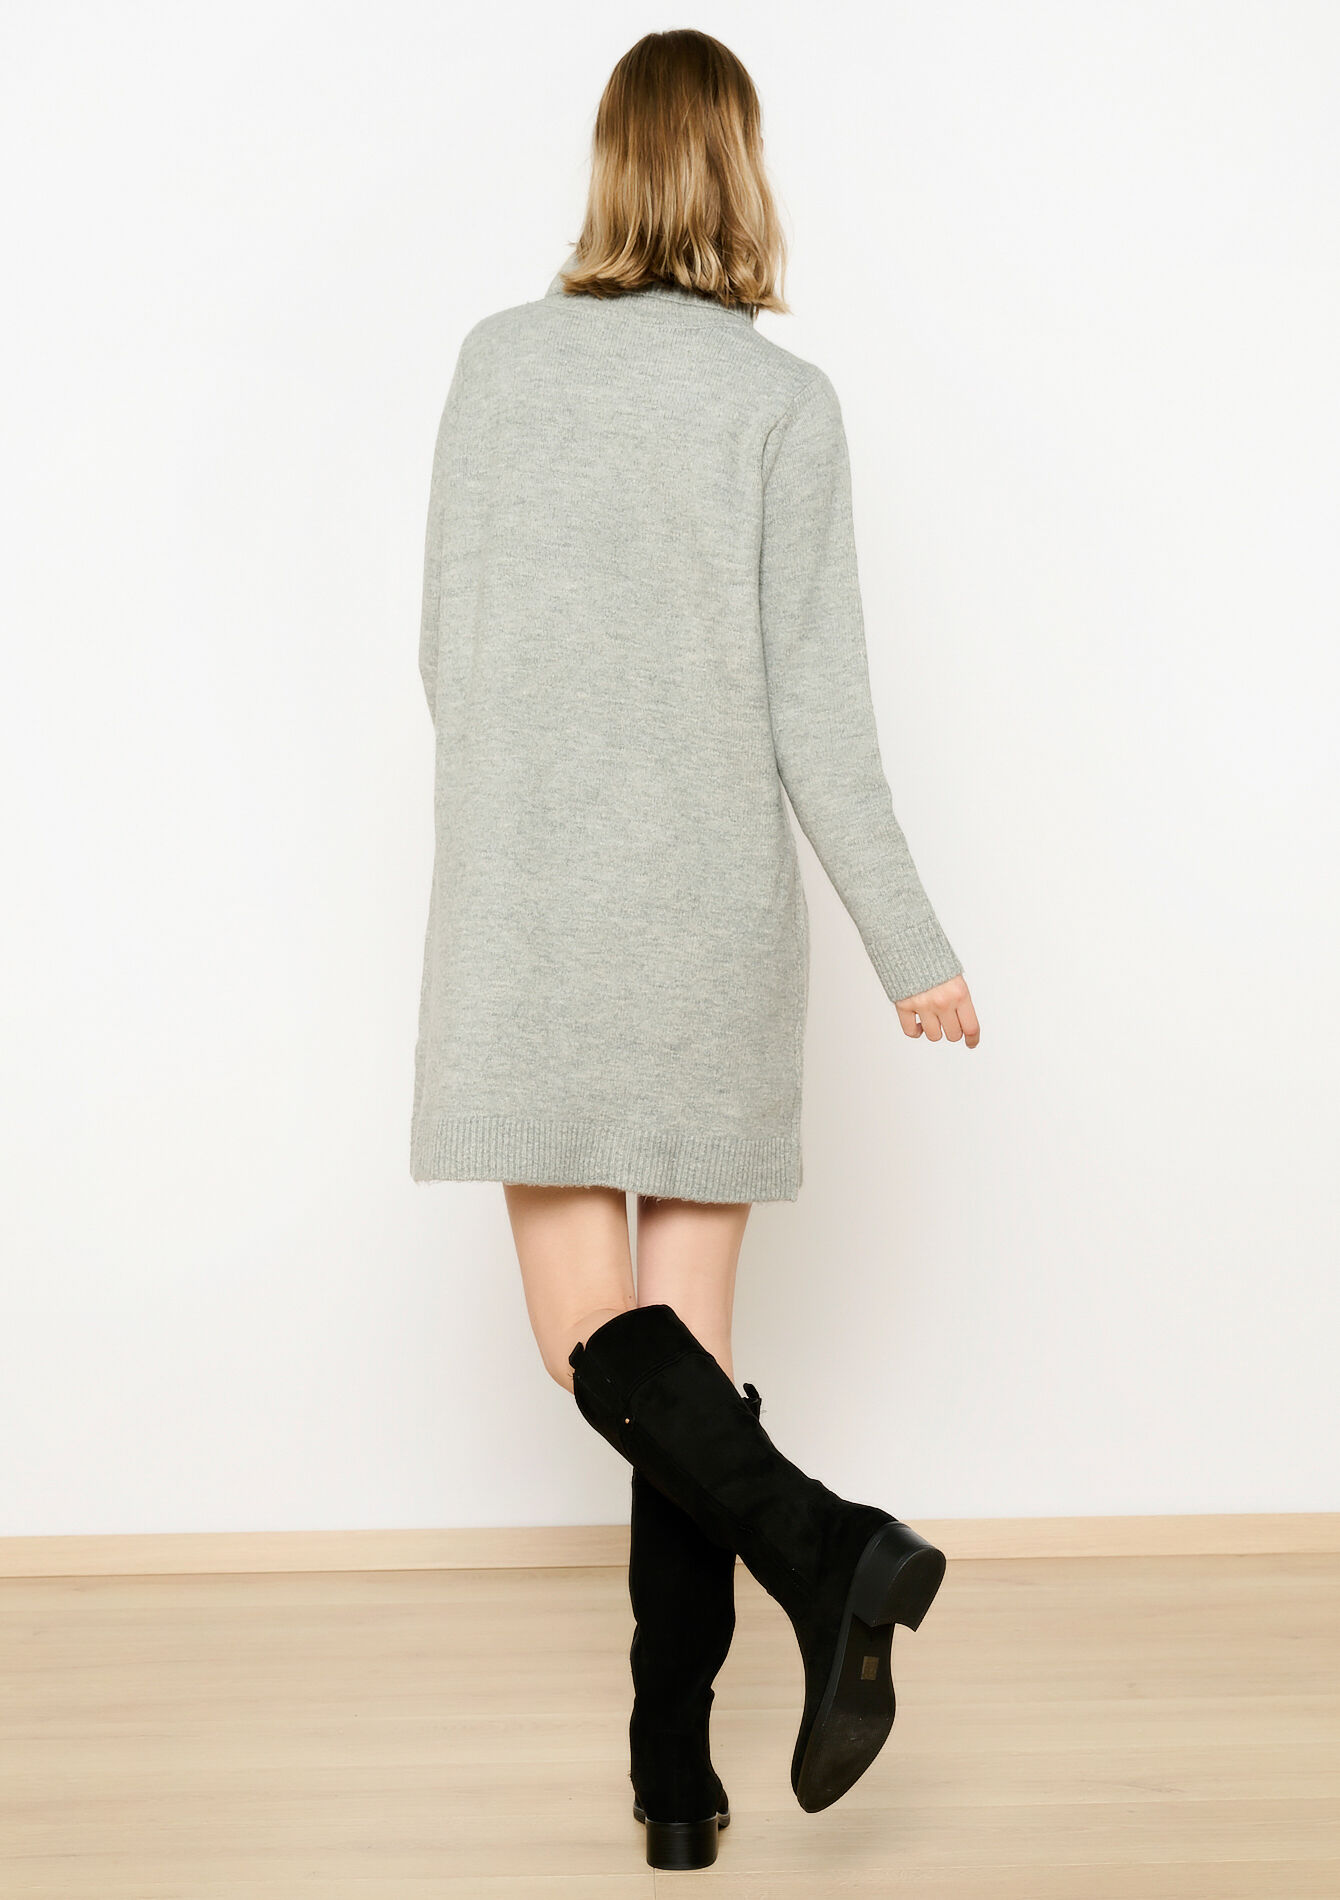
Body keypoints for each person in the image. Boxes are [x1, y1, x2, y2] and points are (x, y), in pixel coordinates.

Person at [412, 27, 980, 1872]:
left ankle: (748, 1678)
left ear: (609, 164)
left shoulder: (497, 366)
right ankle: (713, 1717)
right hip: (711, 923)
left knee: (606, 1353)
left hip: (530, 914)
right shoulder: (779, 403)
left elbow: (447, 658)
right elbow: (824, 721)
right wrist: (911, 947)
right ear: (739, 169)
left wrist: (529, 820)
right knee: (686, 1364)